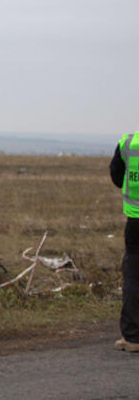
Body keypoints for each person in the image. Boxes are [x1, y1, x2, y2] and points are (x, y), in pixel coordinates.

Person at [110, 132, 139, 352]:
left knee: (134, 276)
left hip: (137, 222)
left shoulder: (128, 143)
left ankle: (133, 338)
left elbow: (117, 177)